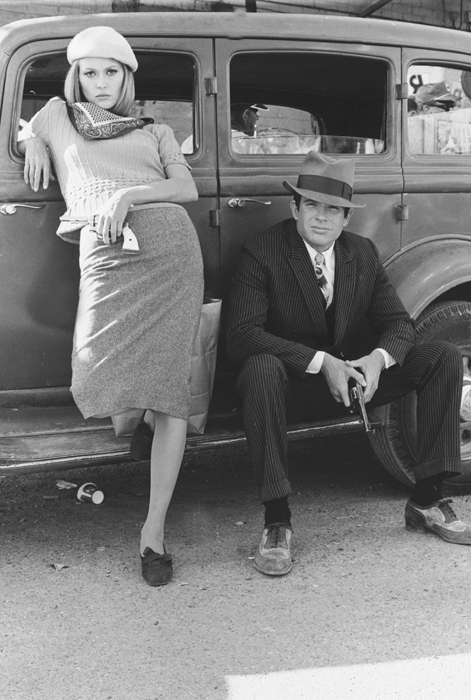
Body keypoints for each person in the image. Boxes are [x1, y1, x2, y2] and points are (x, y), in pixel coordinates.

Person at [18, 27, 204, 587]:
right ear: (78, 76)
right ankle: (141, 415)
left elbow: (187, 190)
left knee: (170, 395)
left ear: (127, 77)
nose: (101, 83)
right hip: (106, 256)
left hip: (170, 252)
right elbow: (23, 127)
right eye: (91, 72)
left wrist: (127, 195)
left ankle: (153, 532)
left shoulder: (156, 130)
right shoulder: (55, 115)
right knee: (94, 366)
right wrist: (30, 143)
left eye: (112, 72)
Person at [226, 150, 469, 577]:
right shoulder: (262, 251)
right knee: (260, 367)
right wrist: (322, 363)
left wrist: (377, 360)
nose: (322, 218)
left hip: (358, 384)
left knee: (443, 357)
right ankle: (277, 522)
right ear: (294, 208)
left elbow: (399, 324)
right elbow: (242, 335)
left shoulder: (361, 252)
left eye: (334, 210)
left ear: (346, 218)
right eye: (313, 206)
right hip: (293, 387)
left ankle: (427, 502)